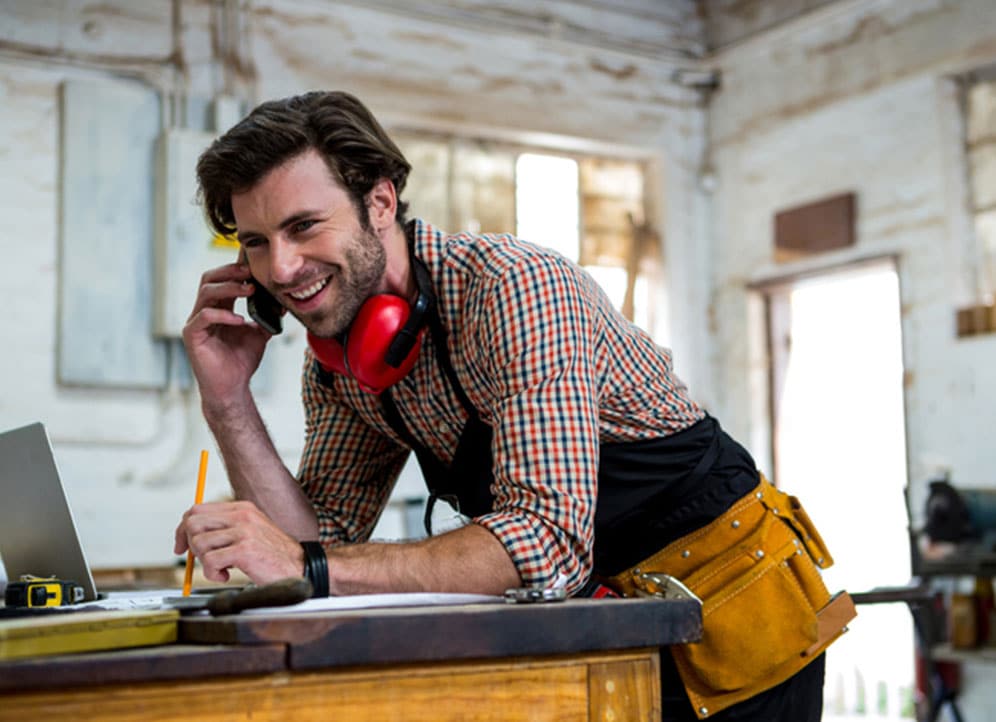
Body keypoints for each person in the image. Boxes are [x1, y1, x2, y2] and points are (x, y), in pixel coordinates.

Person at [175, 90, 854, 721]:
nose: (281, 268)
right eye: (256, 241)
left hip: (729, 616)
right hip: (603, 625)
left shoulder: (516, 288)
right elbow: (315, 543)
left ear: (380, 202)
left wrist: (308, 566)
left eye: (303, 226)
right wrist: (228, 400)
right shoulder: (346, 354)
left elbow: (548, 543)